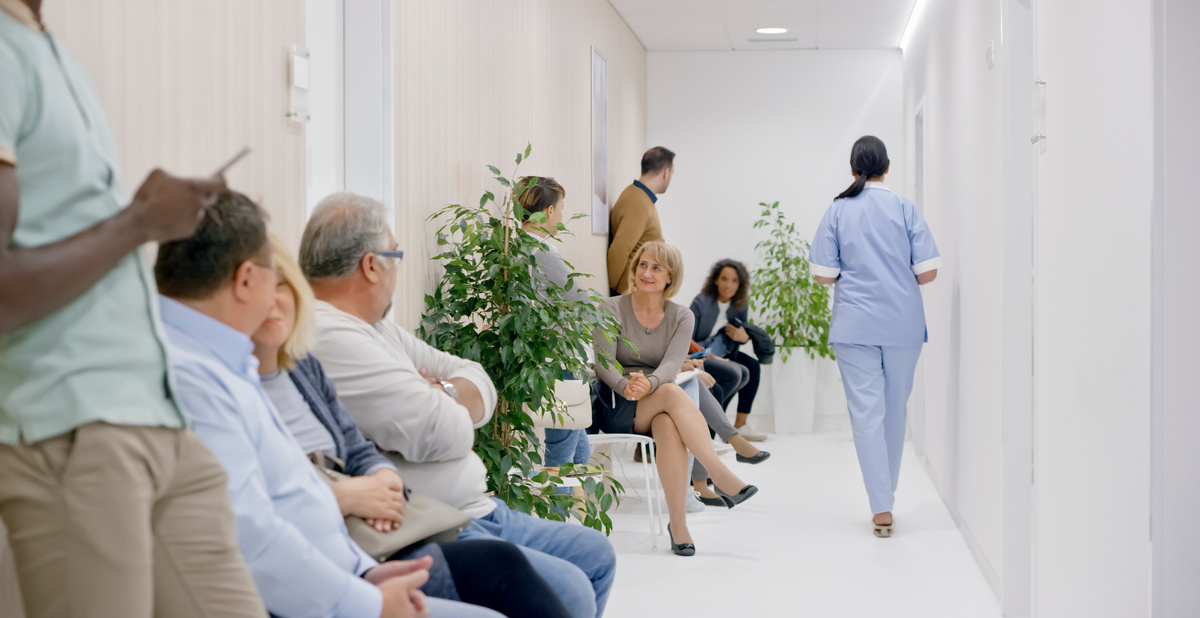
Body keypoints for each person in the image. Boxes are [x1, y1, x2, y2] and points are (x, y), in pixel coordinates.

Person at [0, 2, 265, 616]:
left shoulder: (46, 47)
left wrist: (141, 217)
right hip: (73, 427)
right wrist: (140, 222)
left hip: (156, 418)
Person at [154, 191, 502, 618]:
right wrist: (369, 602)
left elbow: (295, 494)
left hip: (345, 572)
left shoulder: (228, 362)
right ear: (247, 280)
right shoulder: (197, 378)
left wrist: (363, 573)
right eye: (275, 278)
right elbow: (256, 535)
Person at [301, 192, 617, 618]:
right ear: (371, 265)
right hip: (431, 524)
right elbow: (445, 432)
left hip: (479, 509)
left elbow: (480, 382)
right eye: (395, 255)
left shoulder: (377, 329)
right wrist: (449, 401)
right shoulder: (331, 335)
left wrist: (441, 392)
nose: (397, 268)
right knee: (572, 589)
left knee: (596, 554)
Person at [250, 234, 573, 618]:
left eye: (282, 283)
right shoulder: (319, 343)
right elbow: (447, 432)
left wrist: (385, 473)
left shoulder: (310, 363)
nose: (271, 299)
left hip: (394, 526)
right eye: (253, 285)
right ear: (371, 265)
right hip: (365, 541)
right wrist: (350, 495)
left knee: (577, 564)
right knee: (520, 574)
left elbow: (359, 446)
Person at [808, 135, 941, 538]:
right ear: (887, 167)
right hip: (902, 325)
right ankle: (887, 496)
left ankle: (880, 506)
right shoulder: (904, 207)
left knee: (866, 414)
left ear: (853, 169)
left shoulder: (837, 211)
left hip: (855, 327)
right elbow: (928, 272)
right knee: (894, 410)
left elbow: (823, 275)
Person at [593, 241, 759, 556]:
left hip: (655, 399)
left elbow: (671, 364)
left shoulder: (682, 316)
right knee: (670, 391)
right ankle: (718, 473)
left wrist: (650, 383)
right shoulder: (610, 308)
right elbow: (604, 363)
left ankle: (678, 525)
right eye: (643, 264)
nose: (647, 272)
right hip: (616, 402)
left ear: (670, 277)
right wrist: (627, 385)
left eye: (656, 268)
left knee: (668, 425)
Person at [517, 176, 592, 468]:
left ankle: (579, 512)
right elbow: (581, 303)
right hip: (558, 359)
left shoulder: (510, 247)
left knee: (578, 447)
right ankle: (556, 514)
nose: (562, 215)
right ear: (549, 211)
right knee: (561, 457)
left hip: (536, 358)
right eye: (561, 208)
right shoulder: (542, 253)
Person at [689, 259, 767, 441]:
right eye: (724, 279)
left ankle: (740, 425)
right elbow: (686, 338)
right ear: (715, 280)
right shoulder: (701, 302)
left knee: (752, 367)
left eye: (734, 281)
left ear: (740, 284)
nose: (729, 285)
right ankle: (714, 426)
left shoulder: (739, 304)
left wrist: (744, 337)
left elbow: (738, 338)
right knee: (735, 374)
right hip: (699, 353)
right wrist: (708, 354)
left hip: (725, 353)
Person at [606, 147, 674, 295]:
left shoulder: (638, 197)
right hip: (631, 295)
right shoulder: (639, 202)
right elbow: (620, 250)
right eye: (672, 173)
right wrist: (613, 293)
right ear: (666, 172)